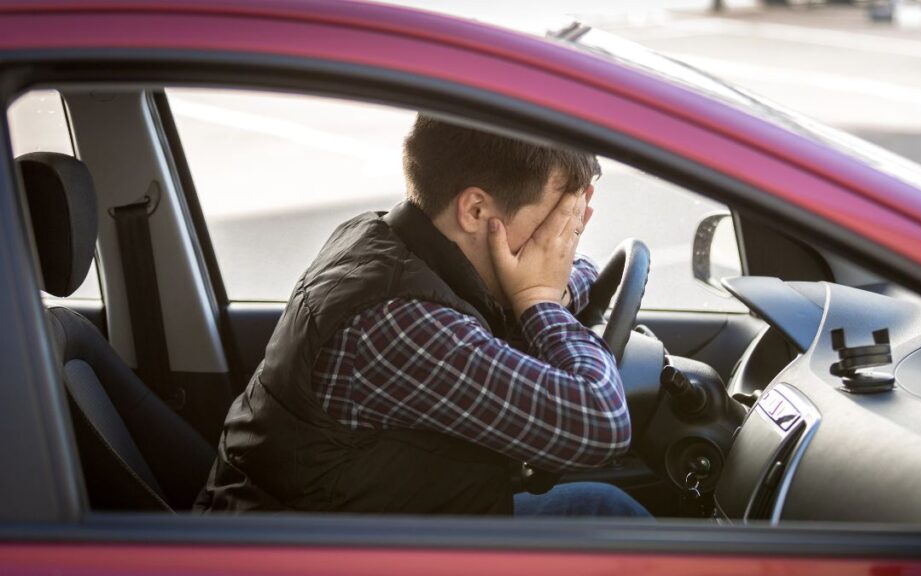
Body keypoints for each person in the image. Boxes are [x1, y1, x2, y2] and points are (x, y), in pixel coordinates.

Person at [196, 115, 649, 518]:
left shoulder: (385, 236)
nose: (560, 239)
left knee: (603, 510)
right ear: (475, 210)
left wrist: (549, 287)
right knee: (617, 523)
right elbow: (601, 425)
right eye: (555, 218)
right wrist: (540, 302)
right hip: (317, 558)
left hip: (384, 521)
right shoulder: (397, 321)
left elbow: (570, 267)